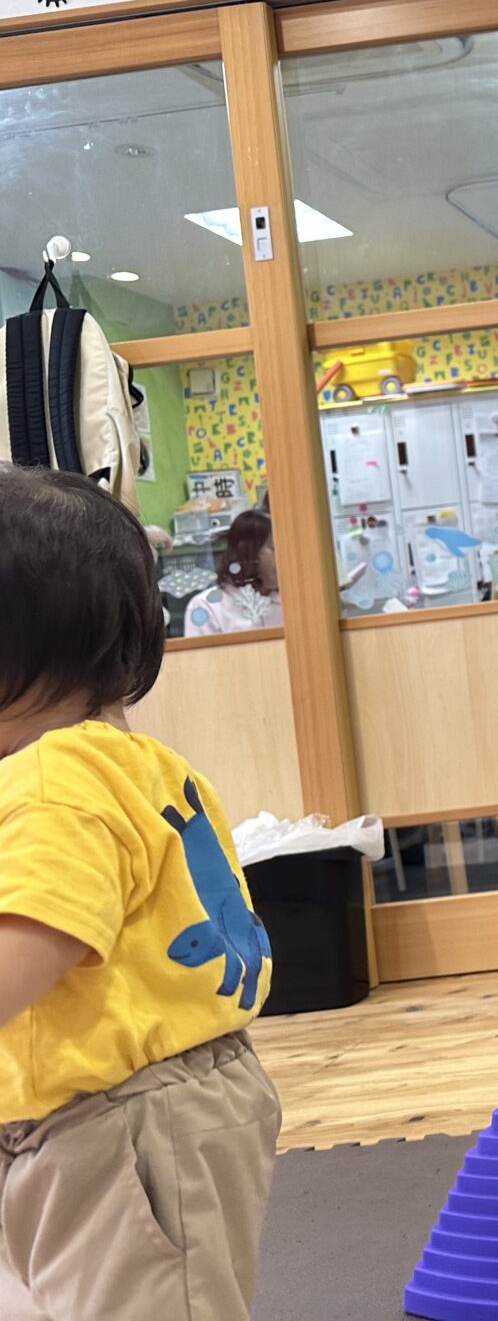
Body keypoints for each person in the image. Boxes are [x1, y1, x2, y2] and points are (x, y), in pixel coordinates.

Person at [0, 467, 280, 1321]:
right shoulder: (132, 762)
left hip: (124, 1123)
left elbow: (27, 950)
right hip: (130, 1107)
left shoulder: (54, 781)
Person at [185, 509, 282, 636]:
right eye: (274, 548)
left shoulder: (295, 601)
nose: (283, 557)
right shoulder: (206, 606)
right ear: (248, 553)